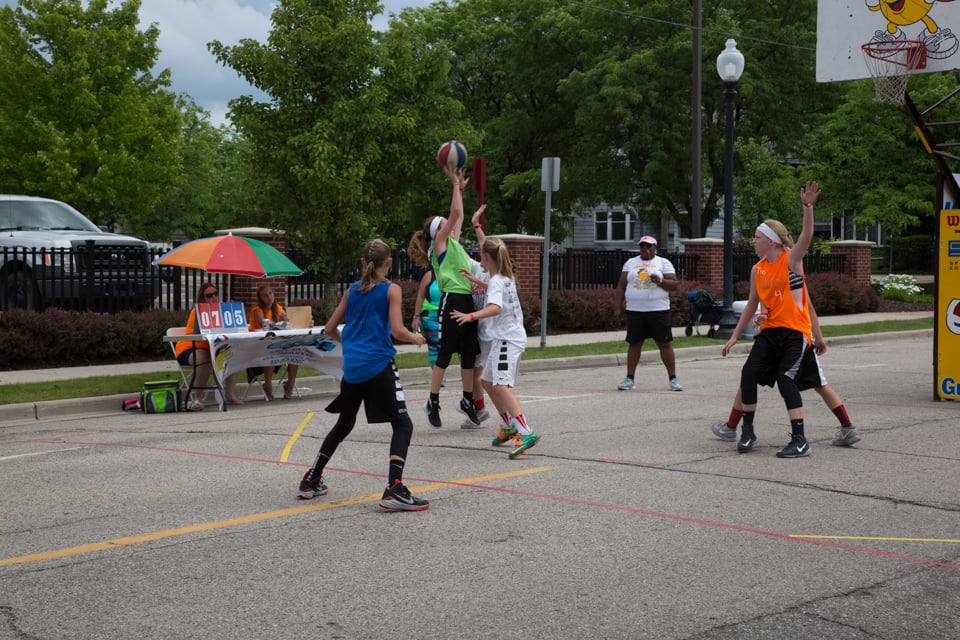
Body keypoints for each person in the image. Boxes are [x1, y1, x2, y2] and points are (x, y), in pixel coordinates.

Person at [297, 239, 429, 510]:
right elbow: (397, 331)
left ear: (362, 262)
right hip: (378, 365)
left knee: (344, 423)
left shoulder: (351, 291)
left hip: (353, 369)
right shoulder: (391, 290)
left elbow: (330, 328)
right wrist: (416, 339)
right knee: (402, 424)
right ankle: (394, 488)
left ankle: (311, 478)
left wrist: (351, 345)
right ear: (389, 262)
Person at [720, 180, 821, 458]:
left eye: (757, 237)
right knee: (748, 373)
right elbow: (753, 305)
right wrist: (734, 335)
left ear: (771, 241)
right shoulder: (758, 269)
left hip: (795, 332)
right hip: (770, 331)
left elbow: (807, 235)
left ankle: (800, 440)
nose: (754, 241)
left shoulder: (791, 260)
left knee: (785, 378)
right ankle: (748, 432)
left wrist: (808, 207)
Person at [711, 299, 862, 447]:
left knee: (762, 378)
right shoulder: (765, 282)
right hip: (779, 337)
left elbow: (807, 305)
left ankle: (732, 427)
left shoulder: (787, 283)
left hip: (794, 336)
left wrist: (818, 337)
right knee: (750, 378)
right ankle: (731, 426)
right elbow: (761, 304)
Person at [408, 165, 482, 429]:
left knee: (469, 354)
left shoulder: (454, 244)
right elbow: (456, 214)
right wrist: (454, 185)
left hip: (467, 301)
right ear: (437, 231)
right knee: (445, 352)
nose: (451, 226)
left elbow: (458, 218)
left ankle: (467, 400)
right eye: (445, 225)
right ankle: (433, 400)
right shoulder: (439, 244)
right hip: (451, 301)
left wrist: (460, 188)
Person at [452, 237, 540, 458]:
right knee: (487, 381)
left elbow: (495, 307)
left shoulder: (498, 281)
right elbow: (494, 290)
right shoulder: (503, 277)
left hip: (507, 339)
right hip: (505, 338)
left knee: (501, 385)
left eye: (480, 254)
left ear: (485, 257)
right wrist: (477, 280)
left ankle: (526, 432)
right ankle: (508, 426)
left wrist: (471, 316)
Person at [615, 235, 683, 392]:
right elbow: (621, 286)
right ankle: (629, 379)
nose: (646, 248)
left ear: (654, 248)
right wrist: (617, 307)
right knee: (634, 343)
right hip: (635, 310)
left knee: (664, 343)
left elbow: (674, 285)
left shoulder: (663, 263)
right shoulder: (631, 263)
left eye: (649, 246)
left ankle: (673, 378)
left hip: (658, 310)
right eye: (643, 246)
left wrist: (660, 281)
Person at [174, 283, 243, 410]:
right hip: (189, 347)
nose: (214, 297)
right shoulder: (197, 311)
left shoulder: (222, 310)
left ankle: (230, 393)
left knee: (233, 354)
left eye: (216, 294)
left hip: (210, 348)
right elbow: (202, 334)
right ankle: (198, 399)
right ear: (202, 298)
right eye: (209, 295)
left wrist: (231, 310)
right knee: (204, 358)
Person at [248, 283, 299, 400]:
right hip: (259, 346)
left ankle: (290, 385)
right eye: (265, 295)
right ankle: (268, 386)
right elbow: (263, 323)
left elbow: (289, 324)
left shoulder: (278, 308)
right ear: (260, 298)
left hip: (278, 344)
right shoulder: (257, 310)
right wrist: (278, 324)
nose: (269, 297)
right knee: (271, 350)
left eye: (270, 293)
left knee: (295, 351)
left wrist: (285, 319)